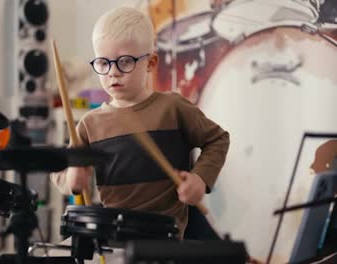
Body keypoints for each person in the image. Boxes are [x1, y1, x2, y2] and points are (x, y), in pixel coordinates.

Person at [51, 6, 229, 239]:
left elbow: (217, 139)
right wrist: (71, 180)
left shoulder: (172, 108)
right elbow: (59, 172)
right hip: (114, 238)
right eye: (103, 63)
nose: (113, 72)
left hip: (167, 238)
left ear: (151, 63)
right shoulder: (90, 124)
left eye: (124, 61)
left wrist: (200, 178)